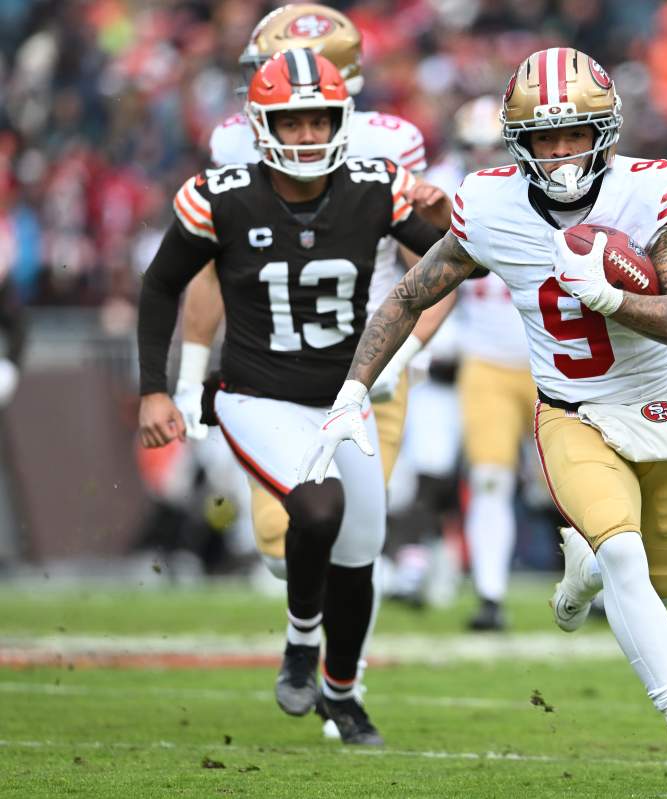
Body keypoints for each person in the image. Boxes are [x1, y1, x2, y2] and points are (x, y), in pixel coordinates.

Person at [300, 48, 667, 782]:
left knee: (655, 586)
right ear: (517, 141)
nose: (560, 152)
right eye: (544, 137)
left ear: (606, 132)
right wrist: (352, 391)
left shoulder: (651, 191)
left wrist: (613, 298)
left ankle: (583, 572)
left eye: (575, 134)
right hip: (574, 413)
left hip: (659, 411)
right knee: (627, 557)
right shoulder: (491, 206)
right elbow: (409, 295)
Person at [137, 49, 446, 745]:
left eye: (319, 120)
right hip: (257, 396)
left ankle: (342, 693)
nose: (307, 135)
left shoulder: (375, 185)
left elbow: (455, 265)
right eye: (292, 122)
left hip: (343, 399)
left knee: (360, 555)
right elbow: (160, 285)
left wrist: (449, 219)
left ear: (341, 121)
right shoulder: (220, 194)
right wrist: (158, 389)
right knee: (318, 505)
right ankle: (302, 639)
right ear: (262, 126)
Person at [426, 96, 541, 631]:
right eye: (473, 148)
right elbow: (424, 273)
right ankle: (491, 596)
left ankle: (600, 586)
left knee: (572, 482)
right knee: (491, 479)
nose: (482, 158)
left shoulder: (555, 188)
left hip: (554, 358)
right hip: (487, 360)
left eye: (492, 147)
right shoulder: (449, 194)